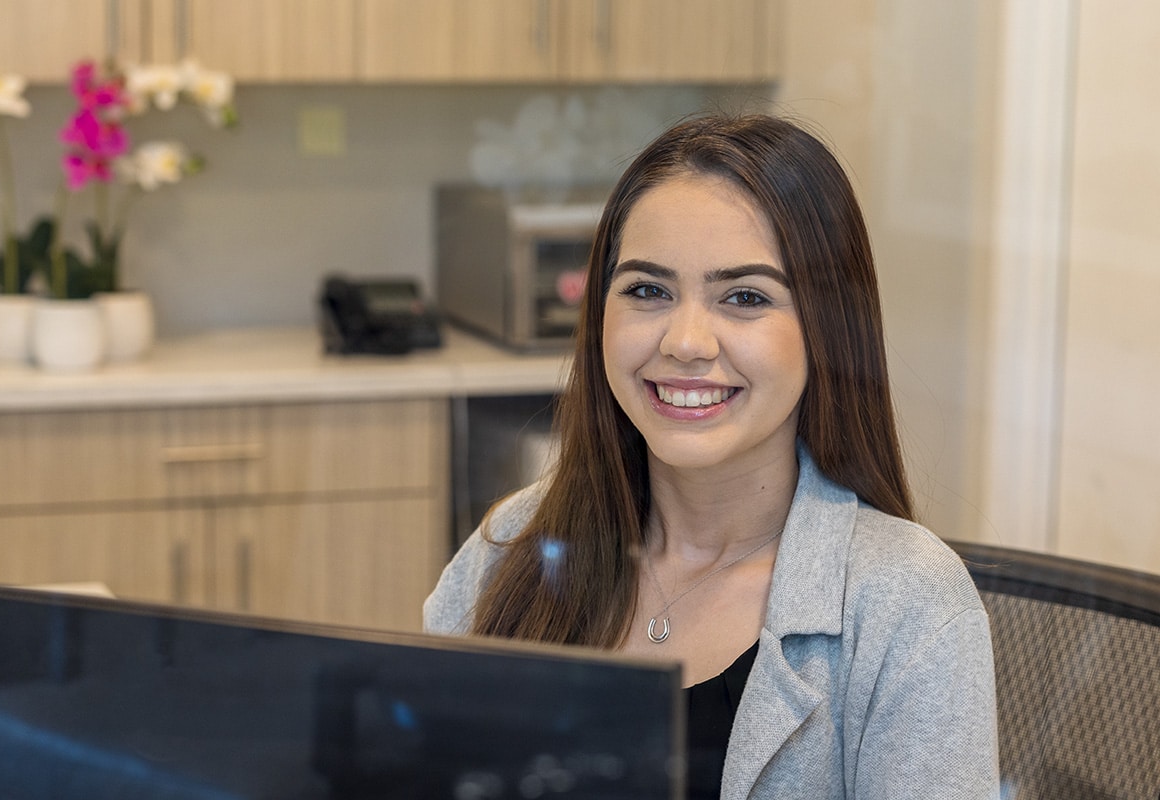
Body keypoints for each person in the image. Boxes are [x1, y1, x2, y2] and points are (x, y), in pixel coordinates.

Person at [424, 113, 999, 799]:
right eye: (647, 290)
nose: (686, 341)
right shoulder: (509, 552)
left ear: (827, 330)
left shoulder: (908, 605)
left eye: (746, 297)